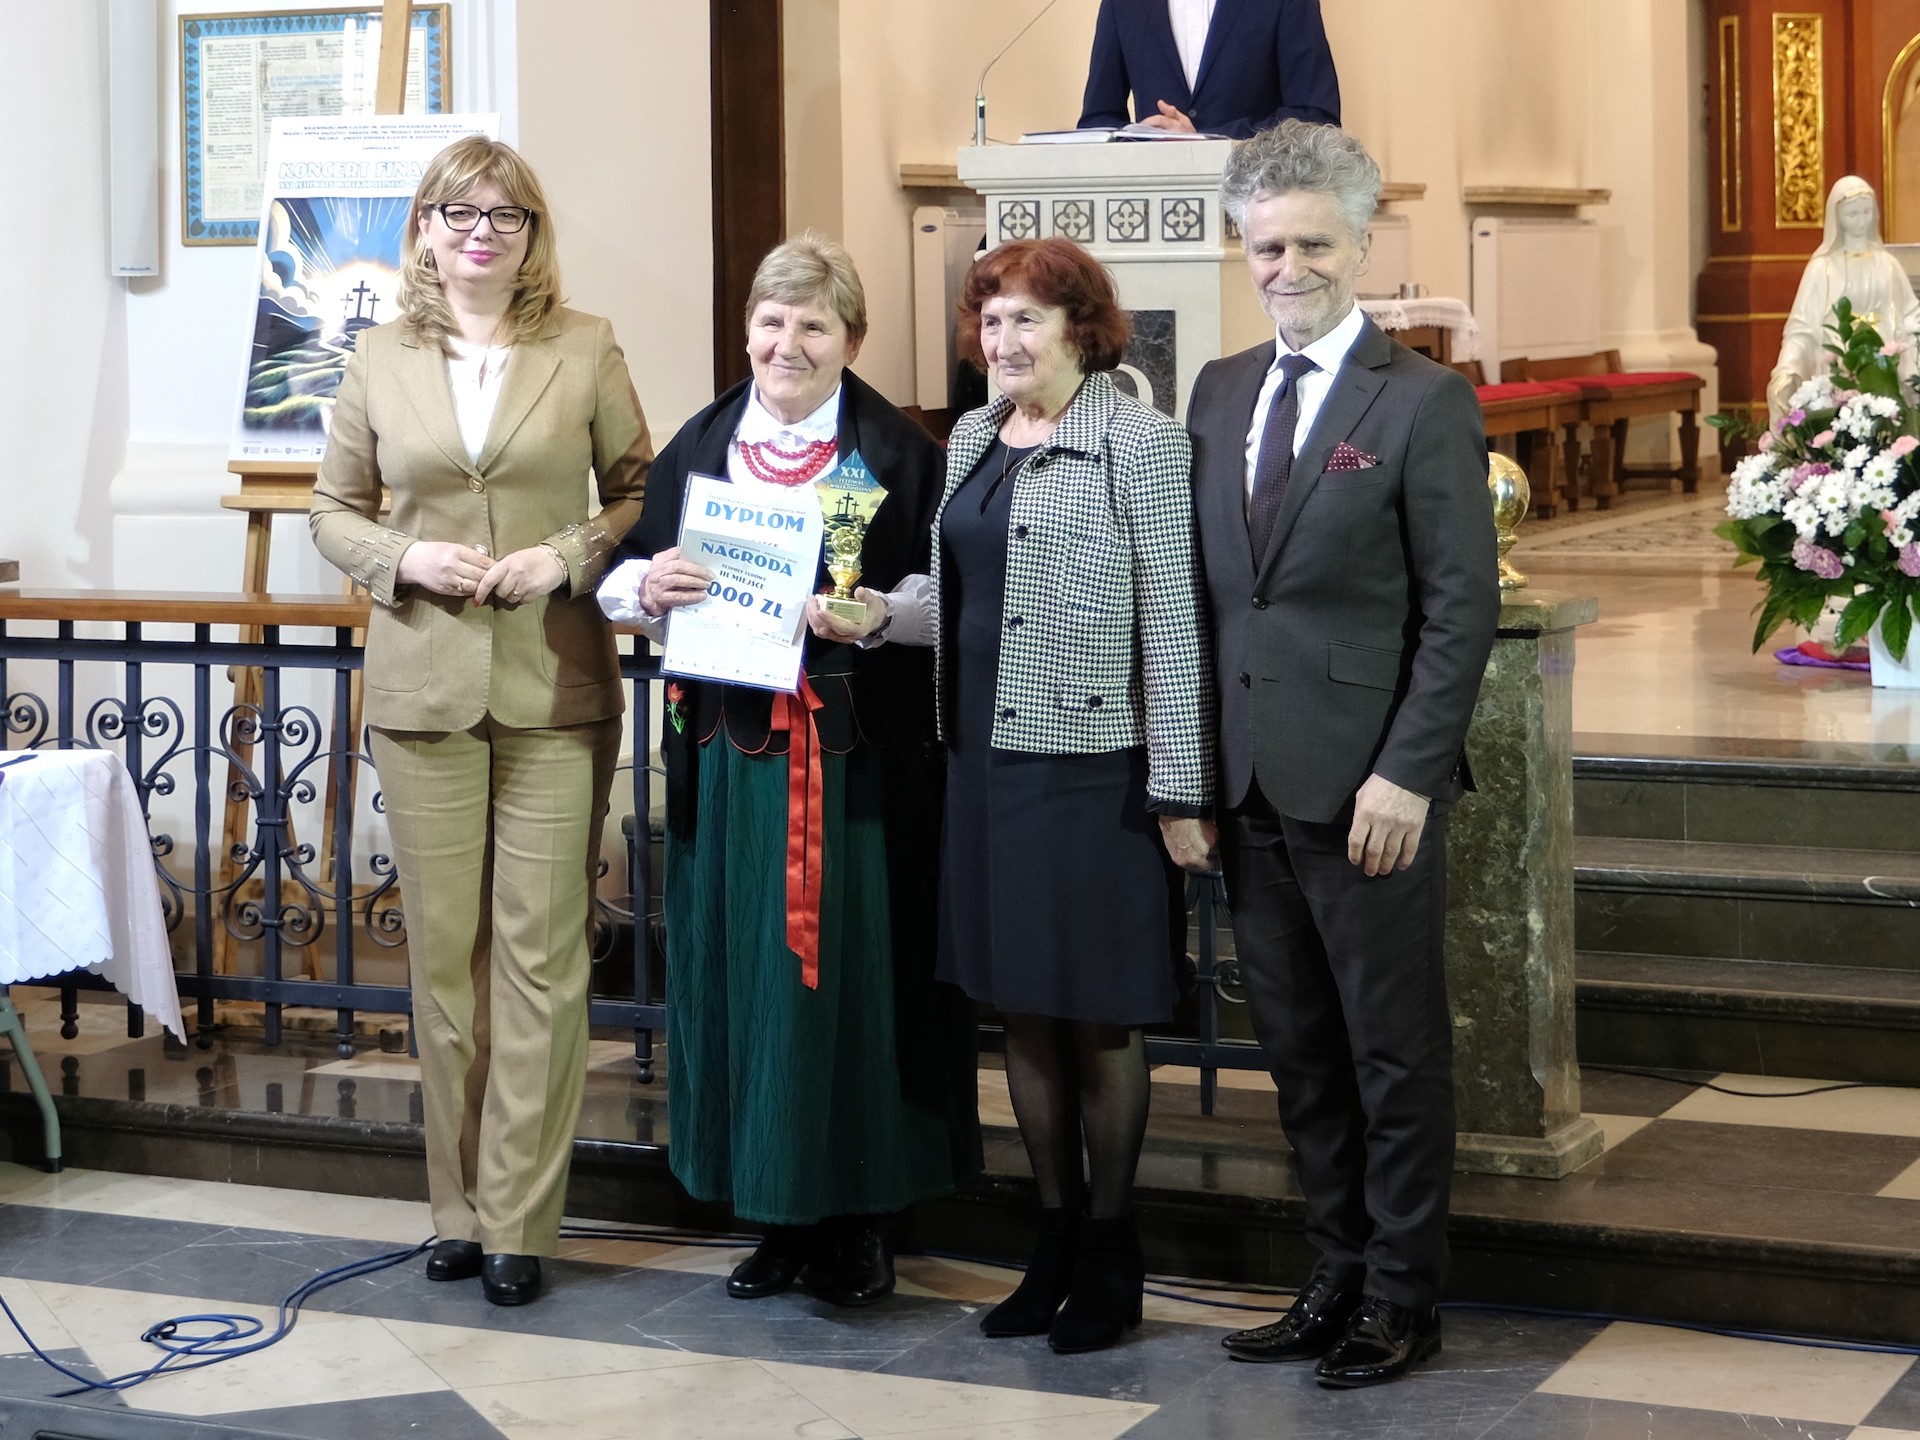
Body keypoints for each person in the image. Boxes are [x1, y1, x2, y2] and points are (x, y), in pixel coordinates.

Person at [597, 234, 978, 1309]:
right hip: (731, 761)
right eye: (772, 321)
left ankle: (863, 1217)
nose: (788, 343)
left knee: (854, 984)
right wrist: (647, 588)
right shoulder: (704, 441)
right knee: (740, 976)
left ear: (852, 338)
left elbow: (950, 595)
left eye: (814, 325)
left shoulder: (899, 452)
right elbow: (627, 576)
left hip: (856, 767)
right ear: (747, 330)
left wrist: (878, 613)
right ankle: (772, 1209)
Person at [310, 135, 652, 1307]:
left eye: (507, 216)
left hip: (554, 684)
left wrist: (566, 555)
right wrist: (404, 558)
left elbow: (638, 492)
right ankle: (454, 1209)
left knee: (542, 965)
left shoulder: (585, 346)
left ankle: (519, 1221)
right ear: (425, 228)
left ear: (531, 233)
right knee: (445, 967)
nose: (483, 233)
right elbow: (332, 510)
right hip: (423, 687)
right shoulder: (377, 355)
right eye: (460, 213)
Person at [1185, 120, 1498, 1388]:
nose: (1290, 267)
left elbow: (1461, 609)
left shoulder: (1422, 400)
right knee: (1301, 1055)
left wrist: (1408, 773)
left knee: (1391, 1054)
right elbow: (1210, 602)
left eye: (1314, 243)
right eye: (1268, 247)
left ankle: (1402, 1296)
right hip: (1249, 781)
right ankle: (1332, 1274)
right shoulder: (1217, 392)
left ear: (1362, 243)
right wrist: (1189, 778)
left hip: (1370, 788)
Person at [935, 237, 1215, 1355]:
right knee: (1021, 1008)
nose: (1004, 340)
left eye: (1027, 320)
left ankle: (1111, 1249)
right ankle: (1049, 1243)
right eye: (992, 320)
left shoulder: (1138, 442)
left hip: (1090, 765)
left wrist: (1180, 787)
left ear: (1080, 331)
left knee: (1095, 1012)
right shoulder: (971, 437)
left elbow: (1174, 624)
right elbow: (964, 596)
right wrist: (874, 615)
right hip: (982, 761)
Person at [1767, 175, 1920, 421]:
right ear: (1837, 217)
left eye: (1867, 212)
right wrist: (1787, 369)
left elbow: (1913, 318)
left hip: (1887, 367)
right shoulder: (1822, 269)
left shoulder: (1888, 265)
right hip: (1837, 365)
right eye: (1852, 214)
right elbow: (1801, 330)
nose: (1861, 221)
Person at [1079, 0, 1340, 139]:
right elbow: (1097, 121)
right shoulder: (1121, 4)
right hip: (1151, 203)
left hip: (1257, 201)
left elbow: (1316, 117)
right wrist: (1138, 139)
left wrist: (1209, 140)